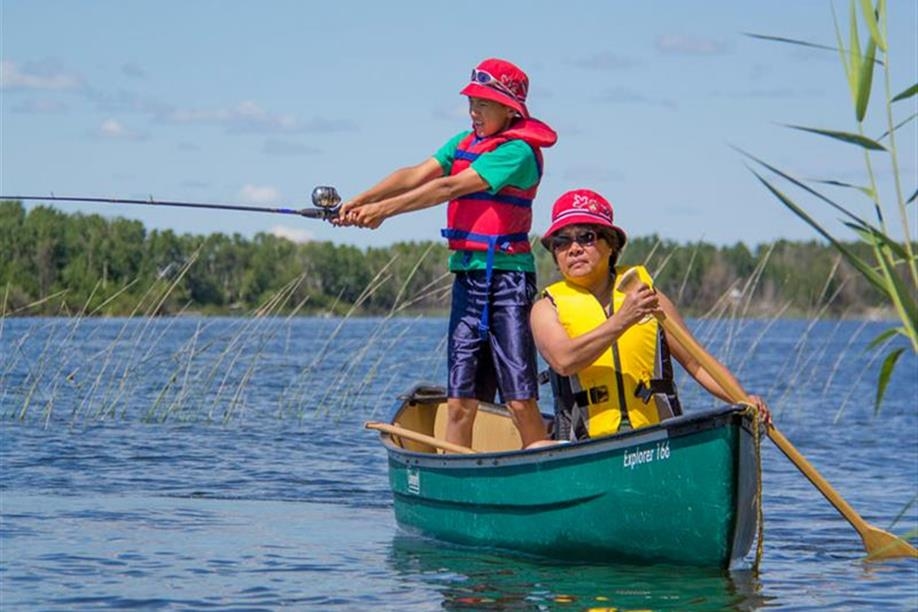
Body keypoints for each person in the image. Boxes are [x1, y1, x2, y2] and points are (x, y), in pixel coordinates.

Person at [335, 58, 557, 449]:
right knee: (459, 402)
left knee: (520, 401)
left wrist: (383, 212)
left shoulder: (518, 152)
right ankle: (458, 478)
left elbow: (449, 188)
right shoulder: (462, 143)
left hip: (507, 280)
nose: (474, 112)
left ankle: (541, 467)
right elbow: (417, 175)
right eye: (471, 103)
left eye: (484, 105)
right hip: (468, 279)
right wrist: (360, 201)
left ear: (511, 109)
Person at [530, 189, 770, 441]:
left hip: (656, 437)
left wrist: (742, 399)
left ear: (611, 244)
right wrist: (622, 320)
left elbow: (698, 364)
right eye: (562, 242)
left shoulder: (648, 298)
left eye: (586, 237)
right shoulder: (546, 308)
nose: (574, 249)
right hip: (587, 443)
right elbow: (564, 360)